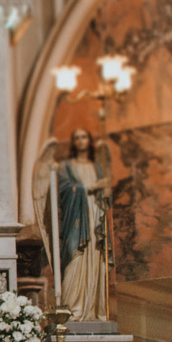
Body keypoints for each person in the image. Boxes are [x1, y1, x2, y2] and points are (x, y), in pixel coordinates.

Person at [57, 127, 108, 321]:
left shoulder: (96, 168)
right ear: (73, 142)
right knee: (74, 260)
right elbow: (64, 191)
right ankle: (73, 308)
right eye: (76, 137)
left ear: (89, 140)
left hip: (94, 220)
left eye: (84, 137)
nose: (80, 141)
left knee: (95, 262)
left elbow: (104, 198)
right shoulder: (66, 167)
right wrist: (91, 187)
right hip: (76, 223)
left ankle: (95, 310)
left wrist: (105, 194)